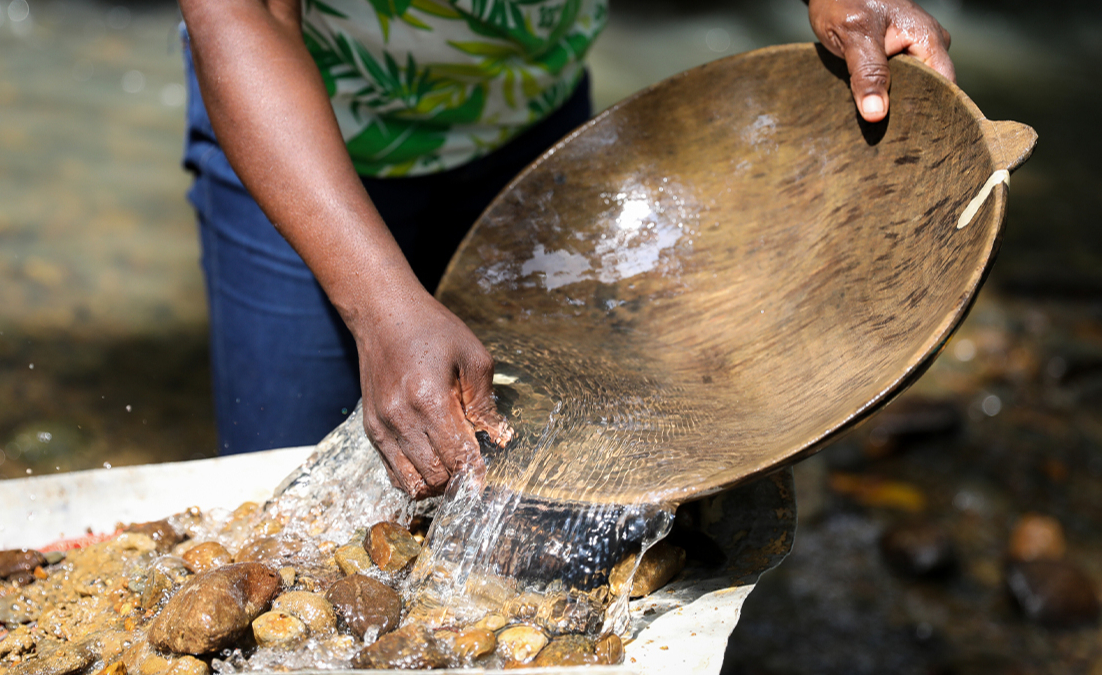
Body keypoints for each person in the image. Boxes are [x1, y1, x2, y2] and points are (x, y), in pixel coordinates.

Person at [177, 0, 954, 499]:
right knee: (294, 508)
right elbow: (241, 13)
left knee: (561, 481)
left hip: (538, 122)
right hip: (306, 143)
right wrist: (379, 305)